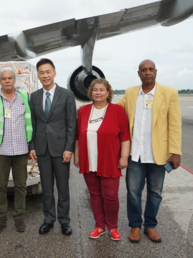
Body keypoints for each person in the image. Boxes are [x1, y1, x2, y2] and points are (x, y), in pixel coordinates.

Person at [117, 59, 182, 243]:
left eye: (150, 69)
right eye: (143, 70)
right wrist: (92, 109)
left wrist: (175, 151)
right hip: (135, 154)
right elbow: (117, 110)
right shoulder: (131, 93)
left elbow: (175, 125)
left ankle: (150, 226)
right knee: (133, 192)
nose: (147, 72)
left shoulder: (169, 93)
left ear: (156, 72)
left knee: (155, 192)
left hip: (158, 155)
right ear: (138, 73)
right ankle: (135, 226)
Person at [74, 79, 130, 241]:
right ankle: (99, 226)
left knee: (110, 196)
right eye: (95, 90)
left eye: (101, 90)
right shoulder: (84, 111)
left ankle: (112, 227)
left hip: (109, 160)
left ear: (108, 93)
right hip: (88, 159)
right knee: (95, 194)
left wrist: (124, 157)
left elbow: (125, 137)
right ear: (91, 93)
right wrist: (77, 155)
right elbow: (78, 137)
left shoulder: (117, 111)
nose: (98, 92)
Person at [29, 58, 77, 236]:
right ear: (38, 75)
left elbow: (71, 123)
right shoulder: (34, 96)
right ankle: (48, 219)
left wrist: (69, 148)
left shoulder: (67, 95)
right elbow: (32, 124)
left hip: (61, 149)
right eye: (41, 72)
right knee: (47, 188)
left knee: (63, 188)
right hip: (42, 149)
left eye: (48, 71)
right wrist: (32, 146)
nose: (45, 75)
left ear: (54, 73)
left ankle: (64, 221)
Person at [0, 67, 33, 234]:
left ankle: (19, 217)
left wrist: (31, 146)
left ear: (14, 80)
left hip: (21, 149)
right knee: (0, 186)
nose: (7, 81)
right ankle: (1, 218)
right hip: (0, 150)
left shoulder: (25, 98)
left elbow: (30, 122)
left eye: (10, 78)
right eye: (4, 78)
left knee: (21, 185)